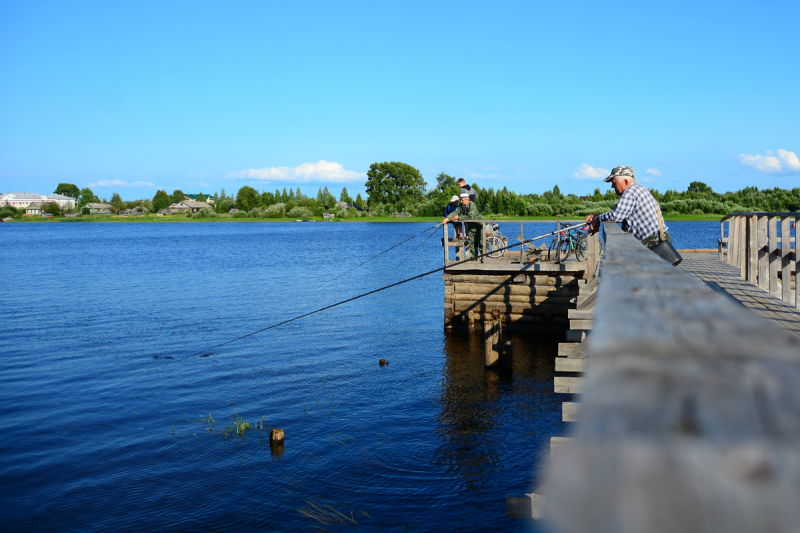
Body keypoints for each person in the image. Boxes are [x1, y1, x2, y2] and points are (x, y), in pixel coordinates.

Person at [585, 166, 670, 247]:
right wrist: (598, 216)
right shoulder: (639, 189)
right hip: (659, 239)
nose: (612, 186)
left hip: (653, 243)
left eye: (614, 183)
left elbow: (616, 216)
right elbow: (617, 212)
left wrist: (597, 218)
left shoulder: (630, 192)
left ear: (625, 182)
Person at [443, 192, 483, 260]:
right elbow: (455, 212)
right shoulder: (461, 206)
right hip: (470, 227)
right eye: (461, 200)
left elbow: (471, 217)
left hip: (478, 226)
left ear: (467, 199)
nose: (461, 201)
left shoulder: (472, 205)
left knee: (481, 243)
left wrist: (459, 217)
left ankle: (483, 258)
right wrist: (447, 219)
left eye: (462, 200)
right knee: (472, 244)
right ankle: (474, 259)